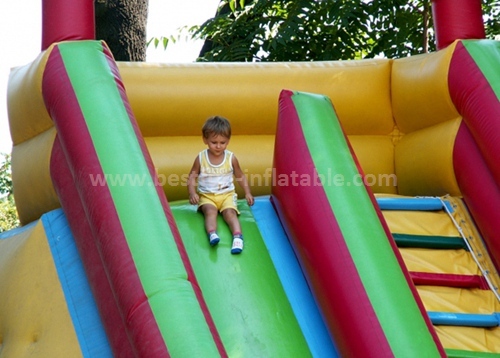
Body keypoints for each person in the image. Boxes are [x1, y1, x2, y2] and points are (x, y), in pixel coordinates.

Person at [187, 115, 254, 254]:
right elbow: (192, 176)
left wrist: (247, 192)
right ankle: (212, 233)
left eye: (222, 142)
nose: (218, 146)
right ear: (205, 140)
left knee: (230, 213)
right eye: (214, 142)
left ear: (228, 141)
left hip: (226, 194)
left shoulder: (231, 158)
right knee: (209, 212)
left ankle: (237, 237)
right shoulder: (201, 158)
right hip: (207, 195)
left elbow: (240, 175)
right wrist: (192, 193)